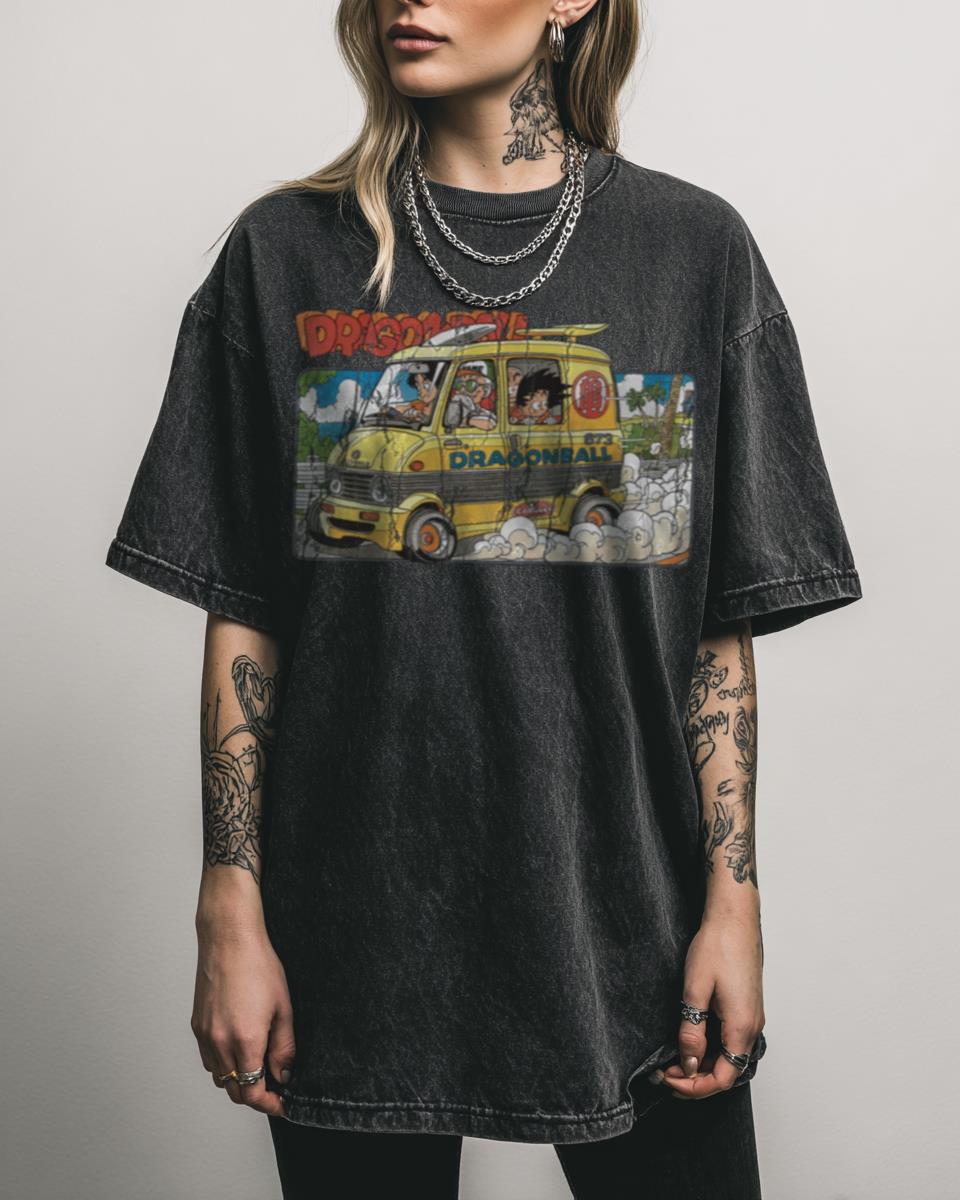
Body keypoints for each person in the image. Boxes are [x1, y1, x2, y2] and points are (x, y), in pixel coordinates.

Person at [103, 1, 864, 1196]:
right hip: (351, 930)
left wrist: (735, 901)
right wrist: (229, 905)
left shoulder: (693, 251)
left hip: (631, 922)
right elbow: (245, 611)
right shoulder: (284, 252)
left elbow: (715, 635)